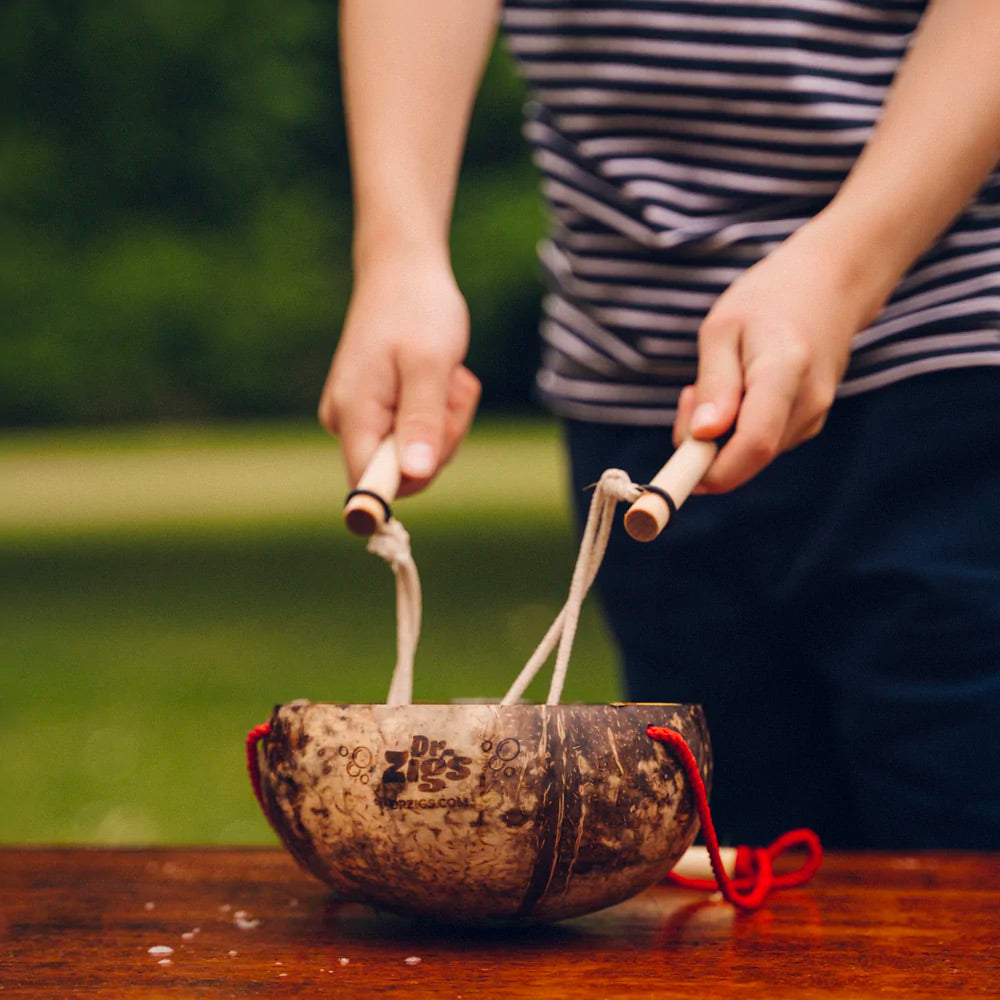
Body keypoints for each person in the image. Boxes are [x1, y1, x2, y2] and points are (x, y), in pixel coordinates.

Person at [319, 0, 1000, 849]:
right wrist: (399, 252)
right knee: (725, 867)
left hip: (949, 363)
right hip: (632, 386)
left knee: (963, 868)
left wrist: (847, 266)